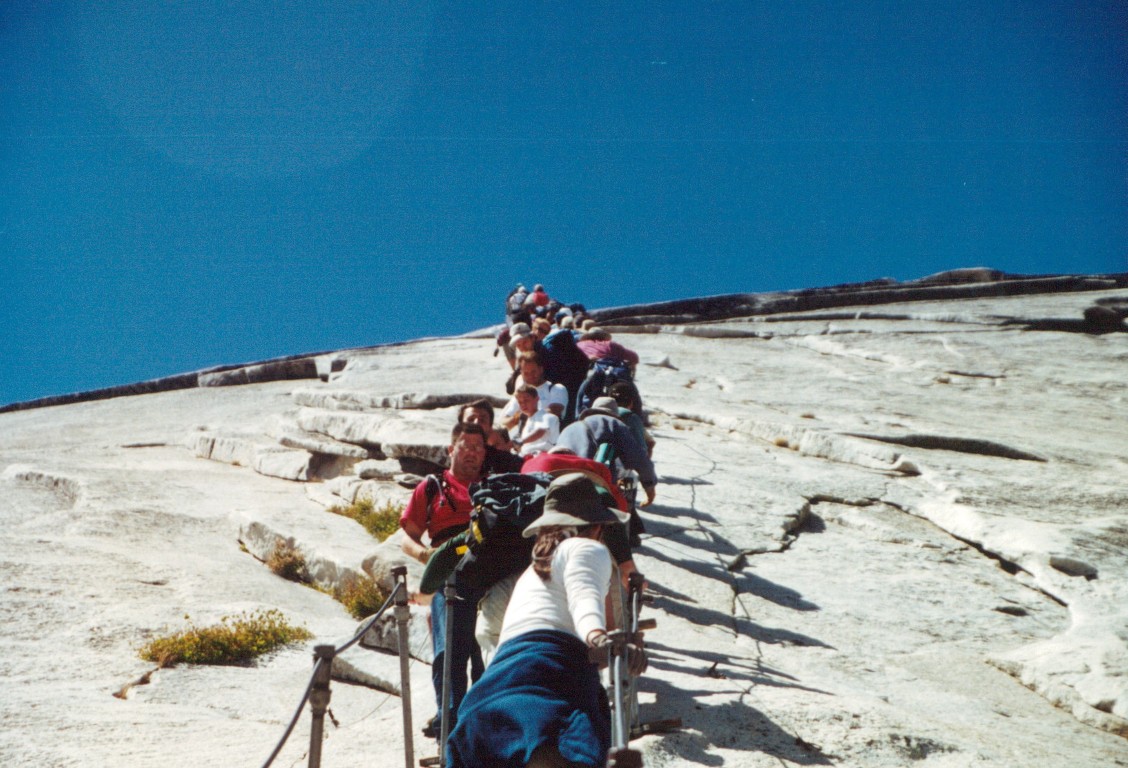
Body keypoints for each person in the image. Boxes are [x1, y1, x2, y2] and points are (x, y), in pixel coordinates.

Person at [446, 473, 647, 768]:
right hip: (550, 680)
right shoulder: (588, 548)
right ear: (597, 526)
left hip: (490, 694)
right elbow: (584, 599)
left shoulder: (532, 573)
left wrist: (610, 646)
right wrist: (599, 637)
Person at [399, 422, 488, 737]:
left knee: (483, 644)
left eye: (478, 448)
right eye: (465, 446)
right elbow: (407, 537)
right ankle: (449, 715)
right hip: (448, 566)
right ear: (451, 449)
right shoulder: (433, 486)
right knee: (448, 645)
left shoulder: (491, 486)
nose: (472, 453)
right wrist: (429, 557)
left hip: (486, 565)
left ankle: (479, 714)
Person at [556, 397, 657, 508]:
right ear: (615, 415)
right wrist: (649, 487)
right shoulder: (614, 424)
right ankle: (626, 513)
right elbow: (639, 459)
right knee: (630, 479)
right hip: (597, 483)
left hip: (564, 482)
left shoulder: (570, 427)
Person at [458, 399, 524, 475]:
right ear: (460, 426)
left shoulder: (508, 462)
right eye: (471, 419)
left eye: (482, 420)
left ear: (490, 427)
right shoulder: (449, 457)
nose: (476, 423)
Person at [501, 353, 568, 426]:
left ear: (541, 369)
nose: (530, 376)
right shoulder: (520, 394)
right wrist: (517, 418)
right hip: (526, 431)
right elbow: (505, 421)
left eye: (533, 371)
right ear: (521, 373)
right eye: (526, 373)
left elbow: (553, 413)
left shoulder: (557, 389)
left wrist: (523, 416)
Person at [512, 385, 560, 458]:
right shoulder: (528, 422)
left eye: (526, 400)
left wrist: (520, 441)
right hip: (526, 456)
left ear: (537, 399)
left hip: (541, 456)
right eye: (520, 402)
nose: (523, 404)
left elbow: (540, 431)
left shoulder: (546, 416)